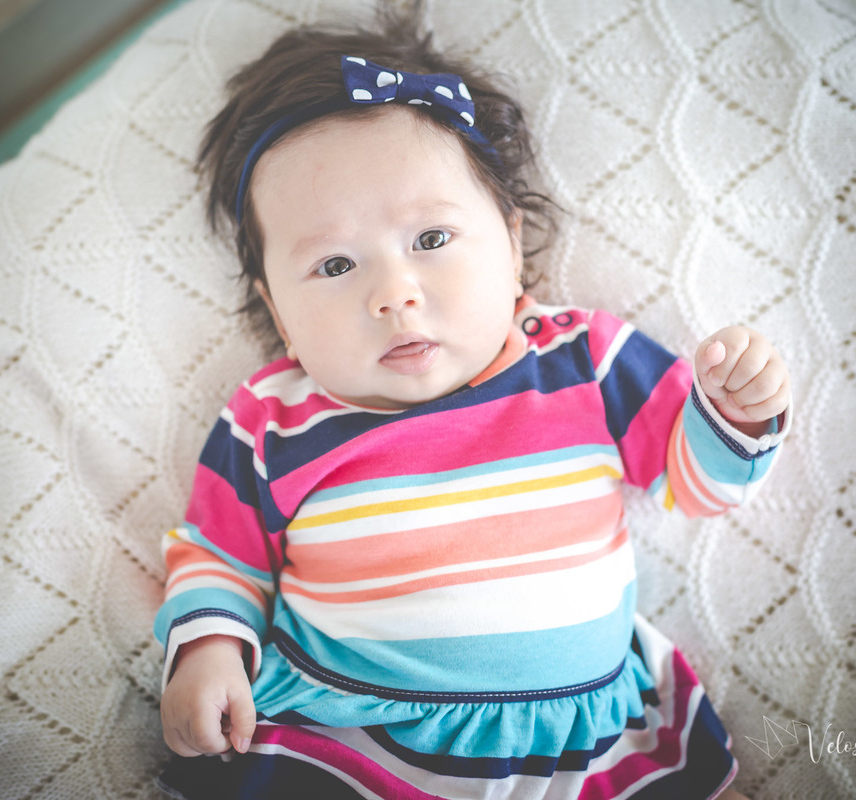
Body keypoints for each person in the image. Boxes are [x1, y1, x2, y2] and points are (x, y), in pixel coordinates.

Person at [153, 8, 790, 799]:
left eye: (430, 240)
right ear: (277, 310)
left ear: (512, 241)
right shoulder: (272, 417)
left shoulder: (581, 362)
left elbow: (693, 484)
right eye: (335, 264)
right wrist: (209, 651)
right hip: (346, 740)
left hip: (587, 740)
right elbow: (218, 553)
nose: (394, 294)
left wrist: (733, 413)